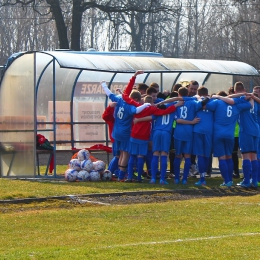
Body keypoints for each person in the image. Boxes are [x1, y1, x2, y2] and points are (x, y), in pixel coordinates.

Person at [122, 95, 181, 182]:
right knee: (163, 154)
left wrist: (138, 120)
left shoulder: (139, 107)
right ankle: (161, 179)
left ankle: (151, 178)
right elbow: (172, 109)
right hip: (163, 133)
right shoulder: (165, 109)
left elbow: (150, 117)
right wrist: (175, 105)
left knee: (151, 154)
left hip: (145, 133)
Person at [101, 79, 151, 181]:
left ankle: (120, 174)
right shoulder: (130, 106)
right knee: (125, 155)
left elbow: (109, 94)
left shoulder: (120, 100)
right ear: (135, 100)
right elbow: (136, 110)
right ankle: (120, 176)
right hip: (125, 133)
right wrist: (145, 105)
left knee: (120, 155)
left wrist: (104, 85)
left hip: (116, 133)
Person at [206, 90, 251, 187]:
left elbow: (206, 105)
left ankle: (227, 181)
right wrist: (240, 97)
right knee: (229, 156)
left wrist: (215, 97)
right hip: (230, 135)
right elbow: (248, 105)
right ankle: (230, 179)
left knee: (221, 158)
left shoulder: (217, 102)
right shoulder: (236, 105)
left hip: (217, 134)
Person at [230, 82, 259, 188]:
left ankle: (246, 181)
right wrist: (252, 95)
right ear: (245, 89)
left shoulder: (241, 99)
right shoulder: (253, 100)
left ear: (235, 91)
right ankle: (254, 181)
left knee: (245, 155)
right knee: (254, 156)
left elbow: (228, 98)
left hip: (246, 130)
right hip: (256, 130)